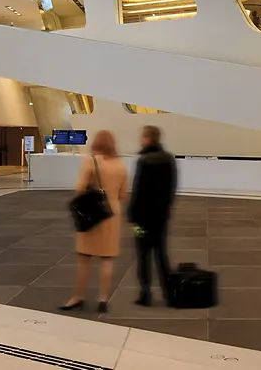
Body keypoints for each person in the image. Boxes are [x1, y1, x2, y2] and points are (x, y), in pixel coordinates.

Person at [61, 130, 128, 313]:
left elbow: (79, 188)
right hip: (112, 214)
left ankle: (78, 296)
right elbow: (122, 195)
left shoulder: (90, 161)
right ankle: (103, 298)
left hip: (92, 214)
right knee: (107, 258)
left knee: (84, 257)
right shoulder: (121, 166)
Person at [128, 125, 177, 307]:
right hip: (161, 217)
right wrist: (166, 208)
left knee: (143, 255)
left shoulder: (144, 161)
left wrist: (131, 214)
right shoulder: (168, 159)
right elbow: (171, 188)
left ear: (148, 138)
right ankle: (169, 293)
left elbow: (138, 192)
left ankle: (145, 293)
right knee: (161, 255)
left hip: (142, 220)